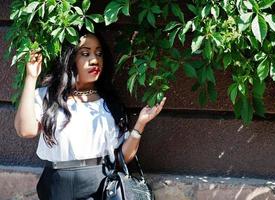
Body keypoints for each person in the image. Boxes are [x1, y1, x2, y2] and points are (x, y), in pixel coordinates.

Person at [14, 28, 166, 199]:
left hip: (99, 183)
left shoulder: (109, 102)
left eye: (99, 54)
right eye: (85, 54)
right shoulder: (48, 96)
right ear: (70, 59)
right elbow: (25, 130)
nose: (95, 60)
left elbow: (122, 158)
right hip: (56, 184)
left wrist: (140, 124)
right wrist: (31, 77)